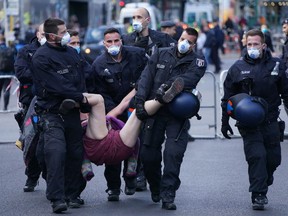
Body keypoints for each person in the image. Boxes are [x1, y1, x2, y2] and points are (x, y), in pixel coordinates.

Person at [134, 27, 207, 210]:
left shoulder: (197, 61)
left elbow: (189, 79)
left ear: (194, 45)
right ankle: (156, 186)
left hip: (177, 112)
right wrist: (140, 103)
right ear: (178, 37)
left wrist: (168, 87)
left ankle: (168, 194)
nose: (185, 43)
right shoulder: (161, 53)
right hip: (155, 109)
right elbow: (145, 78)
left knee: (173, 154)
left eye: (189, 42)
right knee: (148, 155)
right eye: (183, 39)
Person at [221, 29, 288, 210]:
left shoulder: (277, 65)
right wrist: (224, 122)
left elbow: (286, 93)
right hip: (248, 122)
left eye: (256, 44)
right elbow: (227, 98)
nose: (252, 47)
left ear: (263, 45)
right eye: (249, 44)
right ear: (245, 44)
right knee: (256, 156)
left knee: (273, 159)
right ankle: (258, 194)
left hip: (271, 120)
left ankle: (265, 178)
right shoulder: (237, 68)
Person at [31, 17, 88, 213]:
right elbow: (57, 85)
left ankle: (73, 194)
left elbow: (81, 78)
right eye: (63, 32)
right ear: (52, 35)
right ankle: (57, 198)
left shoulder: (72, 53)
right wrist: (81, 97)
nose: (67, 35)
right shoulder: (41, 57)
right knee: (55, 153)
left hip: (72, 111)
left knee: (75, 154)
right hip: (52, 113)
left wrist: (83, 103)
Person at [122, 6, 176, 191]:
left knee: (148, 138)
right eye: (133, 17)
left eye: (139, 17)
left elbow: (174, 58)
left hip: (153, 95)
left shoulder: (161, 39)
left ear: (147, 20)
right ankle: (131, 175)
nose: (136, 20)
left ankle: (143, 175)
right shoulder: (126, 39)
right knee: (130, 137)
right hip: (131, 93)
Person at [91, 27, 148, 201]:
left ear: (121, 41)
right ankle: (113, 188)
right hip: (112, 112)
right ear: (104, 43)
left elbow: (146, 77)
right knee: (112, 151)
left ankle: (131, 179)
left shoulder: (137, 55)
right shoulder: (98, 64)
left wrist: (134, 102)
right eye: (109, 41)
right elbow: (98, 91)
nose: (113, 44)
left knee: (135, 146)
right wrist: (112, 111)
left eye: (116, 41)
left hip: (135, 108)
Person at [14, 23, 47, 192]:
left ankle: (51, 177)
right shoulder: (26, 51)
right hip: (30, 103)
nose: (45, 37)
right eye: (43, 33)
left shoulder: (55, 51)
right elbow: (21, 72)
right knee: (31, 141)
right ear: (37, 34)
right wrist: (43, 74)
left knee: (48, 142)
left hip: (50, 102)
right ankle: (32, 176)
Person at [0, 33, 15, 111]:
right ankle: (5, 107)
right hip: (9, 73)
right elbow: (14, 61)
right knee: (7, 90)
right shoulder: (10, 49)